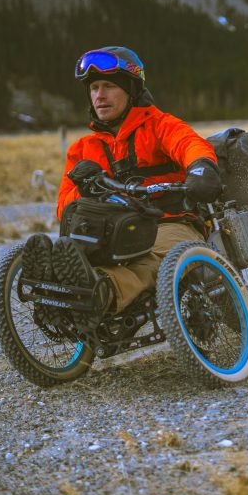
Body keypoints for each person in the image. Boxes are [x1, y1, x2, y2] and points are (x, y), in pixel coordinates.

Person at [22, 46, 221, 328]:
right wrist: (86, 190)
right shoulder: (83, 149)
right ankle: (57, 294)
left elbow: (190, 144)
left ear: (131, 89)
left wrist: (201, 167)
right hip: (114, 231)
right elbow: (65, 206)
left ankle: (102, 292)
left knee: (151, 259)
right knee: (86, 257)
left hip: (169, 222)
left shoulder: (159, 125)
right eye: (93, 88)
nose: (99, 95)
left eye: (108, 86)